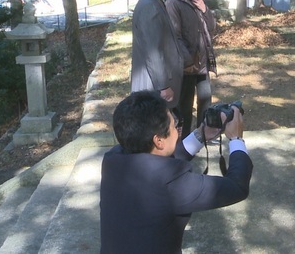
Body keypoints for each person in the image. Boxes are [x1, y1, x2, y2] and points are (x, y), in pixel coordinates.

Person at [100, 90, 252, 253]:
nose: (178, 129)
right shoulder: (171, 184)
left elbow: (157, 162)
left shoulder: (112, 159)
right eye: (175, 125)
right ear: (158, 140)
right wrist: (236, 139)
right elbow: (237, 187)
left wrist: (200, 135)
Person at [166, 0, 218, 139]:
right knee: (185, 107)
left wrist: (204, 8)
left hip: (202, 63)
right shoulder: (173, 4)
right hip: (186, 67)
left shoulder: (197, 0)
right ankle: (184, 140)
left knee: (205, 101)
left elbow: (211, 27)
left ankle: (204, 135)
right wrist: (187, 63)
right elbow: (175, 36)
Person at [131, 0, 183, 109]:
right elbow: (153, 51)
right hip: (154, 87)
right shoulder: (150, 6)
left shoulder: (154, 2)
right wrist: (163, 86)